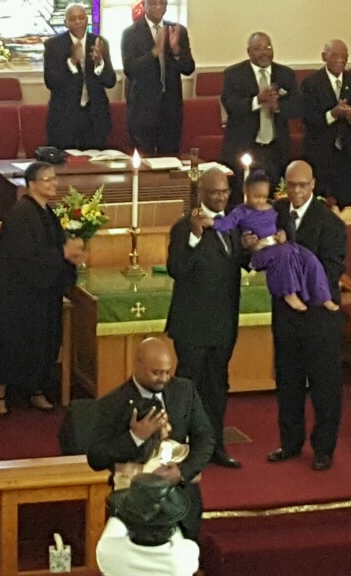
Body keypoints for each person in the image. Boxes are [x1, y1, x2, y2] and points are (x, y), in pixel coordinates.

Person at [0, 161, 85, 416]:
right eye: (46, 180)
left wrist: (70, 256)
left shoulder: (47, 212)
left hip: (40, 290)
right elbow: (26, 257)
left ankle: (37, 390)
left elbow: (55, 249)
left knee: (45, 339)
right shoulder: (21, 214)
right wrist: (63, 252)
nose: (53, 183)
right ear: (32, 185)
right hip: (13, 293)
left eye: (54, 178)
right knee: (11, 343)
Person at [262, 161, 346, 471]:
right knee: (288, 382)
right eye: (292, 185)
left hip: (318, 318)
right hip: (286, 317)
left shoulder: (330, 223)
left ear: (313, 185)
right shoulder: (276, 214)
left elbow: (330, 271)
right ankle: (290, 443)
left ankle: (323, 449)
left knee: (324, 386)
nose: (297, 191)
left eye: (303, 185)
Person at [87, 338, 215, 540]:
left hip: (182, 500)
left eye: (167, 371)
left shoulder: (184, 391)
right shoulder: (112, 404)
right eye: (156, 372)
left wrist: (182, 472)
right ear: (137, 365)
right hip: (134, 506)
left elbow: (206, 437)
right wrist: (135, 437)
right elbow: (96, 457)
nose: (164, 378)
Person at [165, 167, 247, 469]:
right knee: (187, 387)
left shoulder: (233, 225)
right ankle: (181, 447)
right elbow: (176, 268)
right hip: (192, 325)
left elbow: (243, 261)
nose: (221, 197)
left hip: (224, 323)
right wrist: (196, 238)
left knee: (217, 387)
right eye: (214, 193)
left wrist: (254, 247)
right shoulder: (185, 227)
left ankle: (215, 446)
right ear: (201, 194)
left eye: (225, 192)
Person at [206, 170, 339, 312]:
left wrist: (282, 233)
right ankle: (288, 293)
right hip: (261, 253)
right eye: (256, 196)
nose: (260, 201)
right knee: (284, 251)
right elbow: (227, 223)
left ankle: (323, 296)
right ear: (246, 190)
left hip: (279, 246)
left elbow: (280, 226)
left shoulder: (272, 207)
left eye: (263, 196)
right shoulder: (241, 211)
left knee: (309, 257)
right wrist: (210, 222)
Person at [220, 32, 301, 202]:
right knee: (244, 199)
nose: (264, 52)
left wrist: (278, 106)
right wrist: (258, 101)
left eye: (268, 47)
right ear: (249, 52)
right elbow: (231, 105)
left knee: (275, 199)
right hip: (246, 148)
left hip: (276, 149)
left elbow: (297, 107)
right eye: (258, 49)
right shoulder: (234, 74)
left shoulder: (286, 74)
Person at [120, 0, 195, 154]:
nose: (158, 7)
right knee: (143, 159)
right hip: (143, 108)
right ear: (144, 5)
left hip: (170, 108)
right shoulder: (130, 33)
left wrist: (176, 51)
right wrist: (154, 52)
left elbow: (188, 68)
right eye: (153, 3)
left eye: (162, 3)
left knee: (170, 158)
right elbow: (130, 69)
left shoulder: (177, 30)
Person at [300, 39, 351, 208]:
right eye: (335, 55)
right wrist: (333, 114)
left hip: (346, 157)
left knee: (349, 206)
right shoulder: (311, 83)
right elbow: (307, 119)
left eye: (344, 56)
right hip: (319, 155)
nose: (340, 59)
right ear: (324, 57)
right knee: (318, 207)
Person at [44, 3, 117, 151]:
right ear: (66, 22)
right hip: (65, 117)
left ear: (87, 20)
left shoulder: (99, 43)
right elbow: (51, 81)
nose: (77, 22)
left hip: (95, 117)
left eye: (81, 18)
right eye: (72, 19)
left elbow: (110, 81)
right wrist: (72, 62)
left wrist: (99, 63)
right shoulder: (53, 45)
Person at [96, 473, 200, 576]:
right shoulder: (187, 554)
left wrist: (124, 509)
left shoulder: (106, 551)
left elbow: (115, 524)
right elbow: (177, 535)